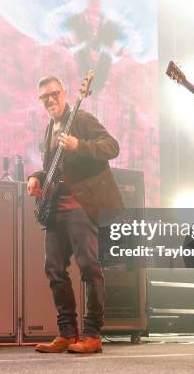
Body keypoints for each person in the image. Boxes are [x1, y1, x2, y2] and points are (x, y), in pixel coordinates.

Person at [27, 75, 123, 354]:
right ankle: (68, 333)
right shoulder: (50, 128)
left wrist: (79, 145)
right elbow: (52, 167)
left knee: (89, 267)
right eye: (44, 97)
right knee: (55, 270)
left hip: (81, 206)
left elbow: (111, 146)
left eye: (54, 94)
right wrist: (36, 176)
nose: (50, 99)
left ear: (66, 93)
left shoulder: (81, 118)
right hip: (56, 210)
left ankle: (92, 335)